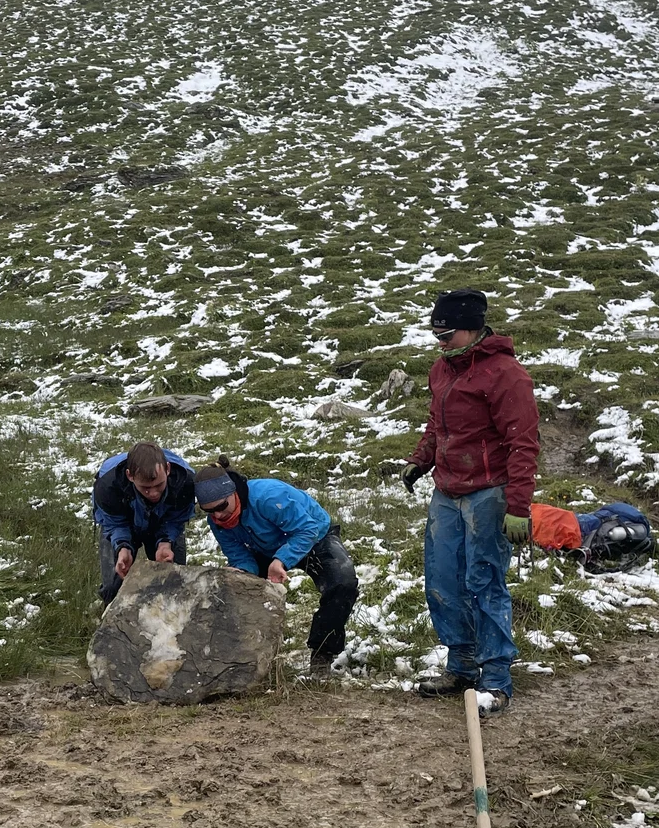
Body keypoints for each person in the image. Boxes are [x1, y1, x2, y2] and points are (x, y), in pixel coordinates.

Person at [398, 289, 540, 713]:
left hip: (488, 493)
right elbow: (436, 423)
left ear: (472, 328)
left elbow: (523, 444)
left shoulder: (506, 374)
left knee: (484, 583)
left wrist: (517, 506)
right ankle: (461, 666)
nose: (440, 342)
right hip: (446, 490)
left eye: (447, 334)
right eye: (435, 334)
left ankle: (495, 678)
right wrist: (420, 460)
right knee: (442, 583)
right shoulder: (442, 369)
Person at [192, 456, 359, 670]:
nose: (217, 515)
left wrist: (282, 559)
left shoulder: (268, 497)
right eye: (209, 511)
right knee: (236, 587)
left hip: (314, 535)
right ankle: (243, 656)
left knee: (343, 583)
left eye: (221, 506)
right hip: (263, 549)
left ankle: (322, 654)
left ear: (233, 492)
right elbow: (240, 555)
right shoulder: (217, 522)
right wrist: (242, 571)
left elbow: (306, 529)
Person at [92, 441, 196, 604]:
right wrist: (122, 546)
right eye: (146, 488)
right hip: (123, 523)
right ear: (129, 476)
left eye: (159, 485)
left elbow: (177, 519)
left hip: (164, 521)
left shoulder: (185, 481)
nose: (153, 493)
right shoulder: (107, 485)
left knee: (173, 580)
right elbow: (114, 523)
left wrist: (165, 542)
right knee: (113, 584)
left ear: (168, 469)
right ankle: (112, 619)